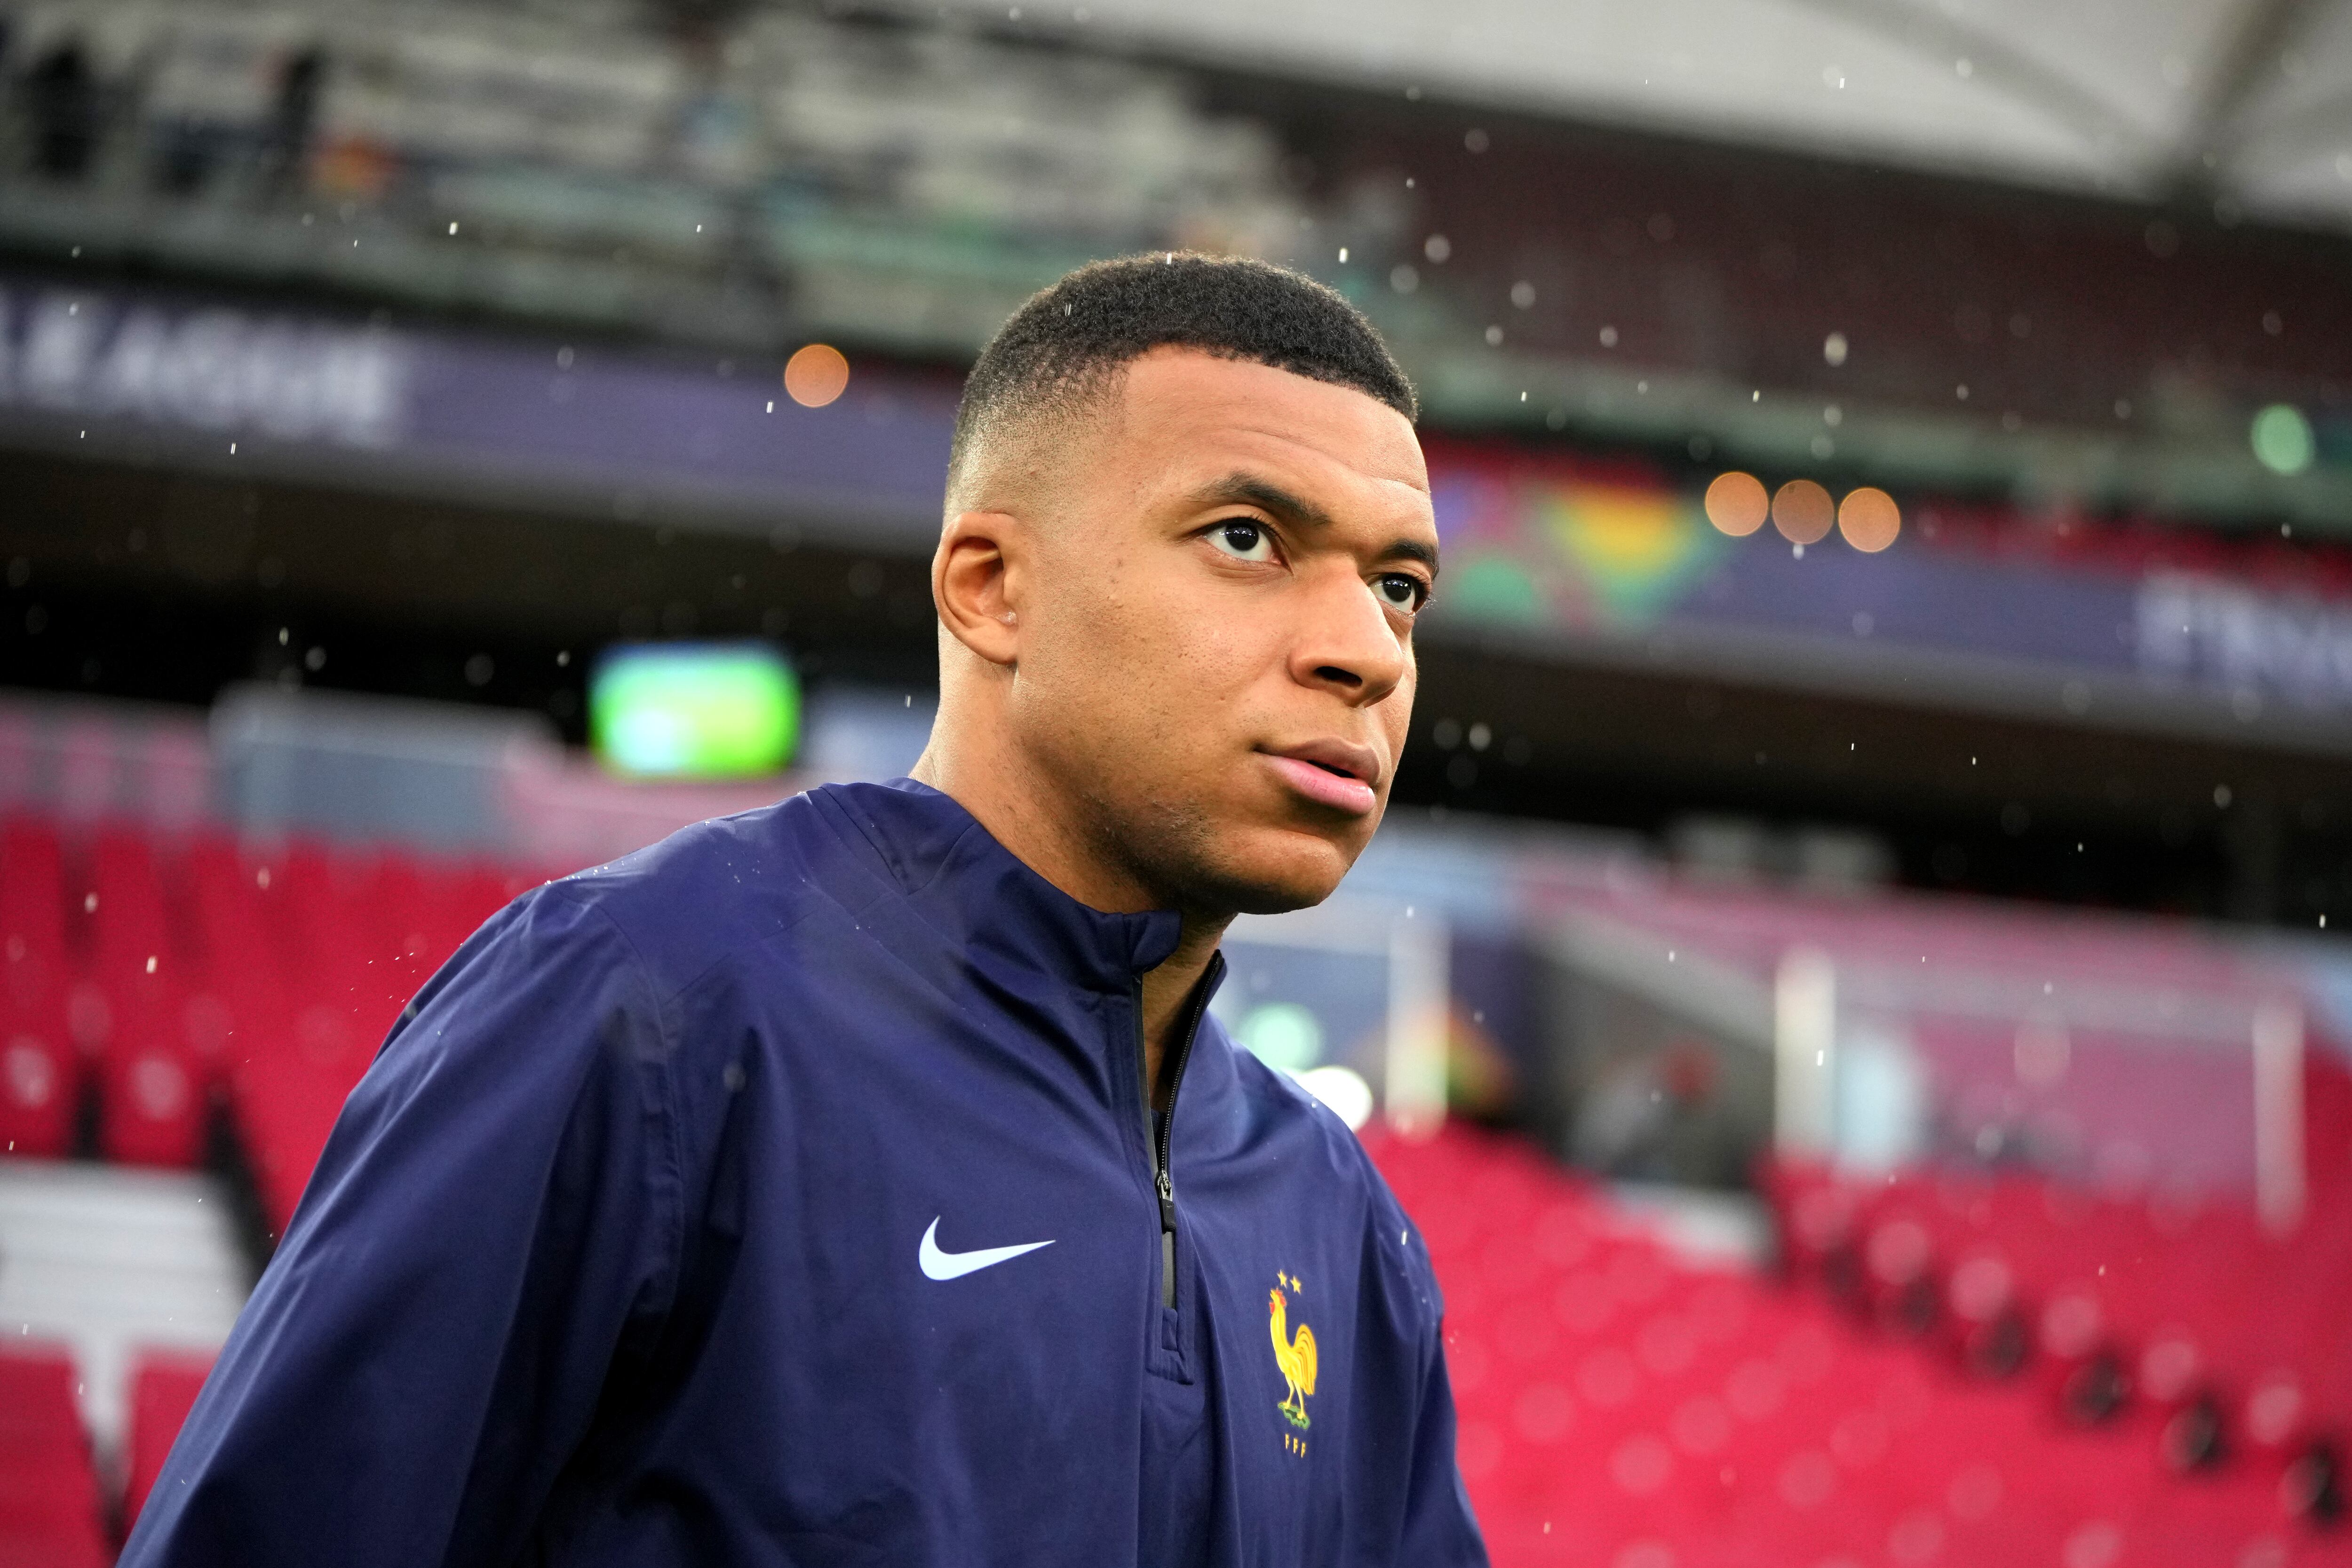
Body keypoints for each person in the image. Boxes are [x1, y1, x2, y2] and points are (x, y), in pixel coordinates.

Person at [122, 254, 1487, 1568]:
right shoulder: (641, 1008)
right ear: (993, 589)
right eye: (1247, 539)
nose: (1364, 651)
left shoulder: (1339, 1224)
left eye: (1399, 587)